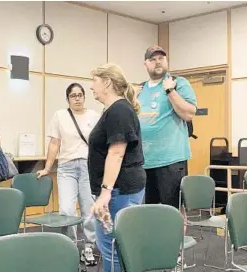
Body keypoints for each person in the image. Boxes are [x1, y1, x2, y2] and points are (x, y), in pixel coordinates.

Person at [88, 63, 146, 272]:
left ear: (107, 82)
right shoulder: (116, 109)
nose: (91, 86)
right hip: (120, 188)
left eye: (94, 81)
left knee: (111, 246)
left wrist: (105, 193)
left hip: (118, 190)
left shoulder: (119, 110)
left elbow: (116, 152)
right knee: (116, 246)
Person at [37, 83, 100, 266]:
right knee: (66, 209)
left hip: (88, 166)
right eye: (73, 95)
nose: (77, 98)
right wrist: (48, 168)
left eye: (80, 95)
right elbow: (55, 143)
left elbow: (99, 144)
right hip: (66, 167)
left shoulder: (94, 116)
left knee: (89, 209)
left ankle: (89, 246)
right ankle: (71, 245)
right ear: (68, 99)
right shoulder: (60, 116)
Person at [137, 45, 197, 210]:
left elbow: (188, 114)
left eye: (161, 58)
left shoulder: (178, 83)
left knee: (172, 211)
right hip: (145, 161)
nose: (157, 62)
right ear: (145, 64)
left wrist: (170, 91)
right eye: (153, 59)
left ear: (166, 61)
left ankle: (174, 237)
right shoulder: (139, 89)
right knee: (149, 211)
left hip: (171, 160)